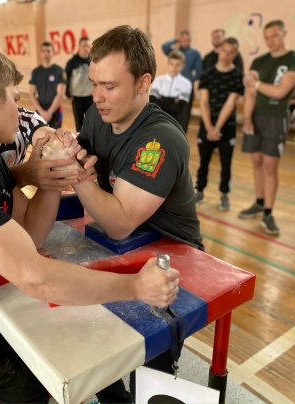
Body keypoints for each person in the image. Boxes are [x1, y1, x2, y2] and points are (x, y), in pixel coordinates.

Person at [0, 40, 180, 404]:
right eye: (15, 98)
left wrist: (53, 174)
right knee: (40, 389)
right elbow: (36, 277)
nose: (20, 111)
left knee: (74, 350)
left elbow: (29, 236)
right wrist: (137, 286)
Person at [71, 25, 203, 404]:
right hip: (127, 247)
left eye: (109, 86)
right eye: (94, 84)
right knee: (89, 330)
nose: (97, 96)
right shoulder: (98, 115)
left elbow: (118, 221)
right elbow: (81, 156)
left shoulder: (160, 139)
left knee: (151, 372)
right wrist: (67, 147)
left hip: (175, 258)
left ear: (144, 83)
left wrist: (74, 171)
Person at [240, 19, 295, 235]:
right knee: (257, 161)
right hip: (255, 117)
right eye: (267, 38)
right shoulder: (259, 61)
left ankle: (268, 212)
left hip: (276, 118)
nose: (270, 41)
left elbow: (280, 92)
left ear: (284, 33)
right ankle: (259, 202)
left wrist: (256, 83)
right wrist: (247, 117)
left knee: (270, 165)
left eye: (274, 36)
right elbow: (250, 92)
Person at [195, 38, 245, 211]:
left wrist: (217, 129)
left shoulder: (237, 76)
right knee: (204, 161)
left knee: (226, 162)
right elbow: (204, 102)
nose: (226, 55)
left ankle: (224, 194)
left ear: (235, 54)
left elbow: (230, 103)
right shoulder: (207, 74)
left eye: (231, 52)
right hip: (206, 125)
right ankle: (199, 191)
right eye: (224, 50)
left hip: (227, 127)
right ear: (218, 50)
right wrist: (209, 127)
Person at [161, 30, 203, 132]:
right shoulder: (175, 53)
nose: (186, 42)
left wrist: (188, 81)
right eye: (184, 40)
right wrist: (175, 40)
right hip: (172, 86)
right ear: (180, 39)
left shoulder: (195, 53)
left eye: (188, 40)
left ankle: (182, 134)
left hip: (186, 88)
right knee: (168, 110)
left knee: (184, 114)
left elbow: (199, 72)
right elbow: (164, 47)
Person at [29, 41, 67, 129]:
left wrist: (49, 112)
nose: (46, 53)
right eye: (43, 51)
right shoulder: (35, 72)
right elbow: (31, 93)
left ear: (53, 53)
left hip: (55, 109)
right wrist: (41, 112)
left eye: (48, 51)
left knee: (56, 135)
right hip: (40, 109)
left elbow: (60, 94)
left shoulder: (60, 71)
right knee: (40, 135)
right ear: (40, 53)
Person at [149, 50, 192, 125]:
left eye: (177, 65)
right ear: (168, 64)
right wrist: (173, 100)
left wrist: (162, 99)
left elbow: (178, 108)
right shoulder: (158, 80)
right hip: (156, 120)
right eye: (172, 64)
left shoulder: (187, 84)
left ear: (183, 66)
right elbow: (153, 102)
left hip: (174, 122)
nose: (174, 67)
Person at [65, 36, 93, 131]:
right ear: (79, 47)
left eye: (88, 46)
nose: (86, 48)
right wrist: (68, 94)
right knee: (79, 122)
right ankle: (80, 139)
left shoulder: (92, 61)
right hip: (77, 97)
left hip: (90, 96)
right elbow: (66, 78)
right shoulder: (72, 62)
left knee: (91, 121)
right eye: (84, 46)